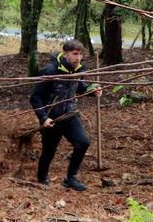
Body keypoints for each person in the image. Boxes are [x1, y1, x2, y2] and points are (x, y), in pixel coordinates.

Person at [29, 38, 102, 191]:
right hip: (52, 117)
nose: (78, 57)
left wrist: (93, 90)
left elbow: (80, 88)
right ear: (65, 54)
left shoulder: (79, 69)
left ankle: (71, 178)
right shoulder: (50, 70)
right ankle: (42, 178)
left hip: (70, 115)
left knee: (83, 142)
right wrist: (43, 118)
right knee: (49, 150)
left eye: (81, 54)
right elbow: (35, 97)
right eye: (75, 54)